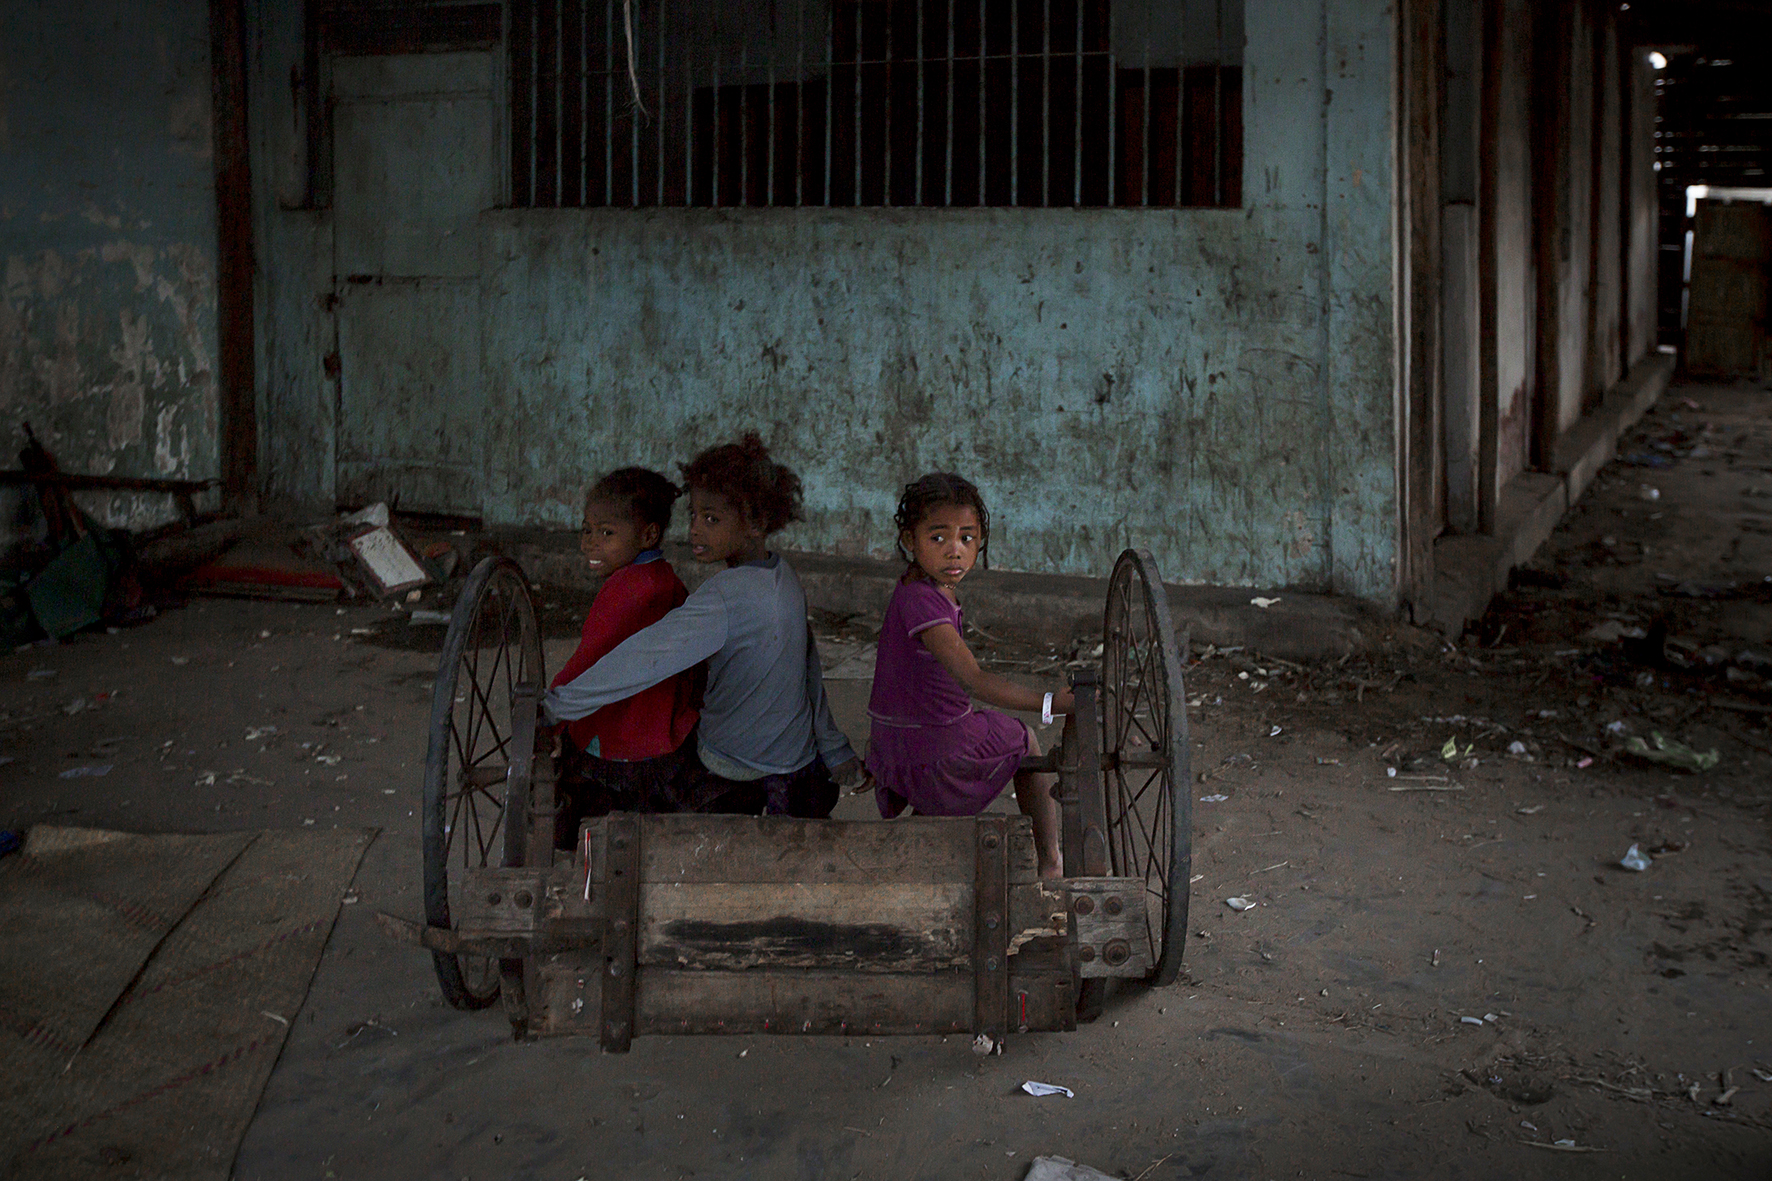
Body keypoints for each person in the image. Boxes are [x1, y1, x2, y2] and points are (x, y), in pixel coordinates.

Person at [544, 433, 864, 818]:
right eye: (693, 515)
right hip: (795, 764)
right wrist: (834, 749)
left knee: (640, 773)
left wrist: (558, 705)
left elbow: (645, 658)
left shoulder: (723, 596)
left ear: (756, 523)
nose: (695, 529)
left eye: (712, 519)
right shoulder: (785, 575)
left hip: (730, 765)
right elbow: (808, 671)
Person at [865, 473, 1071, 878]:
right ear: (909, 540)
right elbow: (972, 680)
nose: (954, 550)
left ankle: (926, 839)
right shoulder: (924, 603)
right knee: (1024, 739)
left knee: (984, 729)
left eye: (967, 538)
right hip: (933, 751)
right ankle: (1051, 862)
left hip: (893, 743)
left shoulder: (919, 587)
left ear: (980, 542)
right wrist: (1050, 702)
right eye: (938, 537)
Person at [549, 468, 700, 846]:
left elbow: (587, 661)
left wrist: (550, 711)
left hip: (614, 746)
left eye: (607, 533)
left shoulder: (624, 590)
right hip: (660, 744)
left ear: (648, 535)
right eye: (586, 530)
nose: (590, 543)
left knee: (592, 838)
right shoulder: (667, 580)